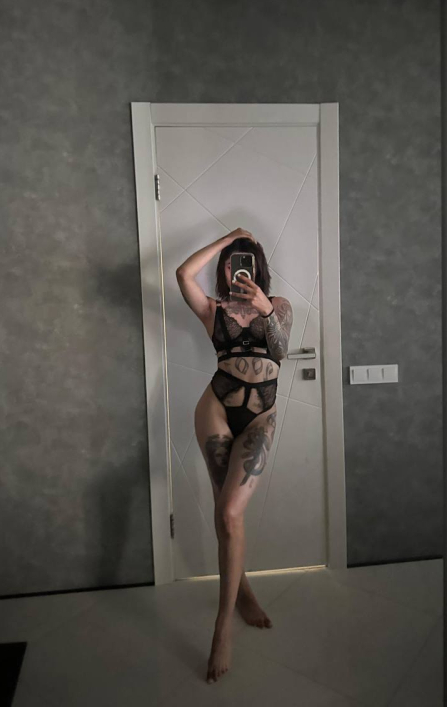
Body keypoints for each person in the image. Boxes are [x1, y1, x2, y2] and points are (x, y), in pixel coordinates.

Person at [175, 227, 293, 684]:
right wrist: (227, 239)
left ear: (258, 269)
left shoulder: (278, 305)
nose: (236, 268)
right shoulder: (212, 310)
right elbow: (183, 273)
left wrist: (266, 310)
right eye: (230, 262)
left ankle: (236, 600)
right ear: (224, 270)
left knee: (229, 511)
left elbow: (281, 353)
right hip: (216, 408)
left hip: (260, 416)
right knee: (226, 514)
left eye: (244, 261)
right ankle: (226, 620)